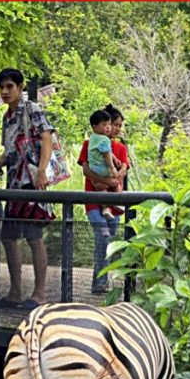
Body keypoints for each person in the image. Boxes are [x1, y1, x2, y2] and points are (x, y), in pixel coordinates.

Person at [0, 68, 54, 310]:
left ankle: (39, 293)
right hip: (13, 185)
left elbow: (47, 138)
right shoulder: (6, 117)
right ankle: (16, 291)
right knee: (8, 237)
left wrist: (42, 170)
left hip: (31, 182)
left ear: (20, 88)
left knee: (34, 237)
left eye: (10, 86)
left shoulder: (32, 109)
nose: (5, 91)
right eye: (2, 87)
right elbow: (9, 152)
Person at [79, 104, 129, 295]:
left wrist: (113, 180)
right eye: (113, 124)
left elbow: (123, 169)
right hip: (93, 199)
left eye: (118, 125)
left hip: (114, 203)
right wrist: (107, 181)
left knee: (108, 240)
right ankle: (100, 282)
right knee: (103, 236)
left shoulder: (121, 148)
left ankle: (100, 281)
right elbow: (86, 170)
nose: (115, 128)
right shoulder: (89, 144)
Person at [86, 108, 123, 220]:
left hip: (94, 170)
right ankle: (118, 202)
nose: (109, 127)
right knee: (116, 184)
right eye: (114, 124)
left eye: (109, 124)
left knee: (101, 189)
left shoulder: (92, 139)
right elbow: (106, 154)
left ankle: (106, 208)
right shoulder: (104, 140)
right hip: (102, 171)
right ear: (95, 126)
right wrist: (112, 169)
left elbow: (108, 152)